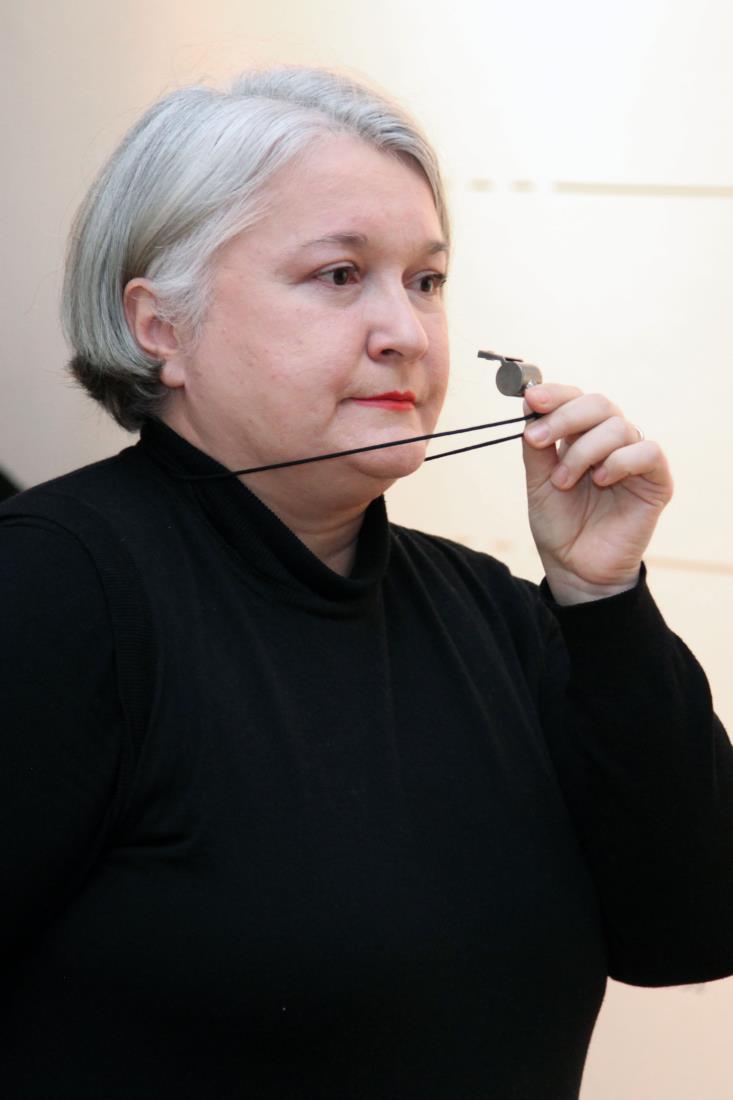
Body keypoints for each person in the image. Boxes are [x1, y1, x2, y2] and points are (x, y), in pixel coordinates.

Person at [1, 67, 731, 1100]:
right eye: (340, 275)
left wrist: (600, 597)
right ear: (162, 327)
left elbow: (689, 928)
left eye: (425, 281)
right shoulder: (52, 586)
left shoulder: (493, 611)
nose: (406, 332)